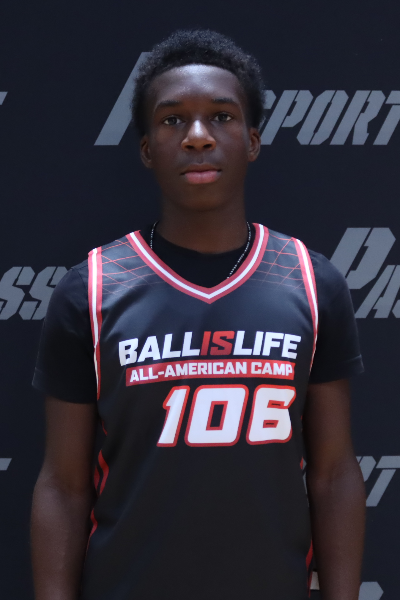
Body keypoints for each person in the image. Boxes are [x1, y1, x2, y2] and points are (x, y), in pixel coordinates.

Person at [31, 29, 365, 600]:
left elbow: (334, 474)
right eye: (172, 121)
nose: (198, 136)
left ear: (252, 140)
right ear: (146, 149)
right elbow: (63, 486)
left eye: (221, 116)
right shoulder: (92, 288)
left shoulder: (311, 282)